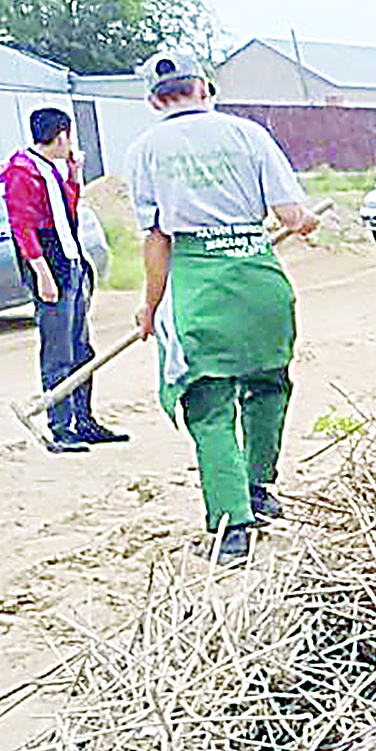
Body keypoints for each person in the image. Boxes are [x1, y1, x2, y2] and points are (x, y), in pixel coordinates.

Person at [124, 52, 321, 563]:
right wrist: (305, 222)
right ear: (205, 88)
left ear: (153, 100)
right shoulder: (249, 135)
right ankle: (259, 487)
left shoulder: (146, 149)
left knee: (208, 405)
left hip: (199, 284)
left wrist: (149, 306)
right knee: (268, 384)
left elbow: (157, 239)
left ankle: (233, 528)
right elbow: (290, 213)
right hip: (258, 277)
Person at [3, 107, 127, 453]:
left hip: (71, 260)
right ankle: (61, 425)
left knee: (81, 347)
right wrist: (42, 273)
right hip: (51, 265)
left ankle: (84, 419)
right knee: (58, 350)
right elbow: (23, 227)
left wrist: (74, 175)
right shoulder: (22, 173)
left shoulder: (50, 170)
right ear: (61, 136)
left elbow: (67, 210)